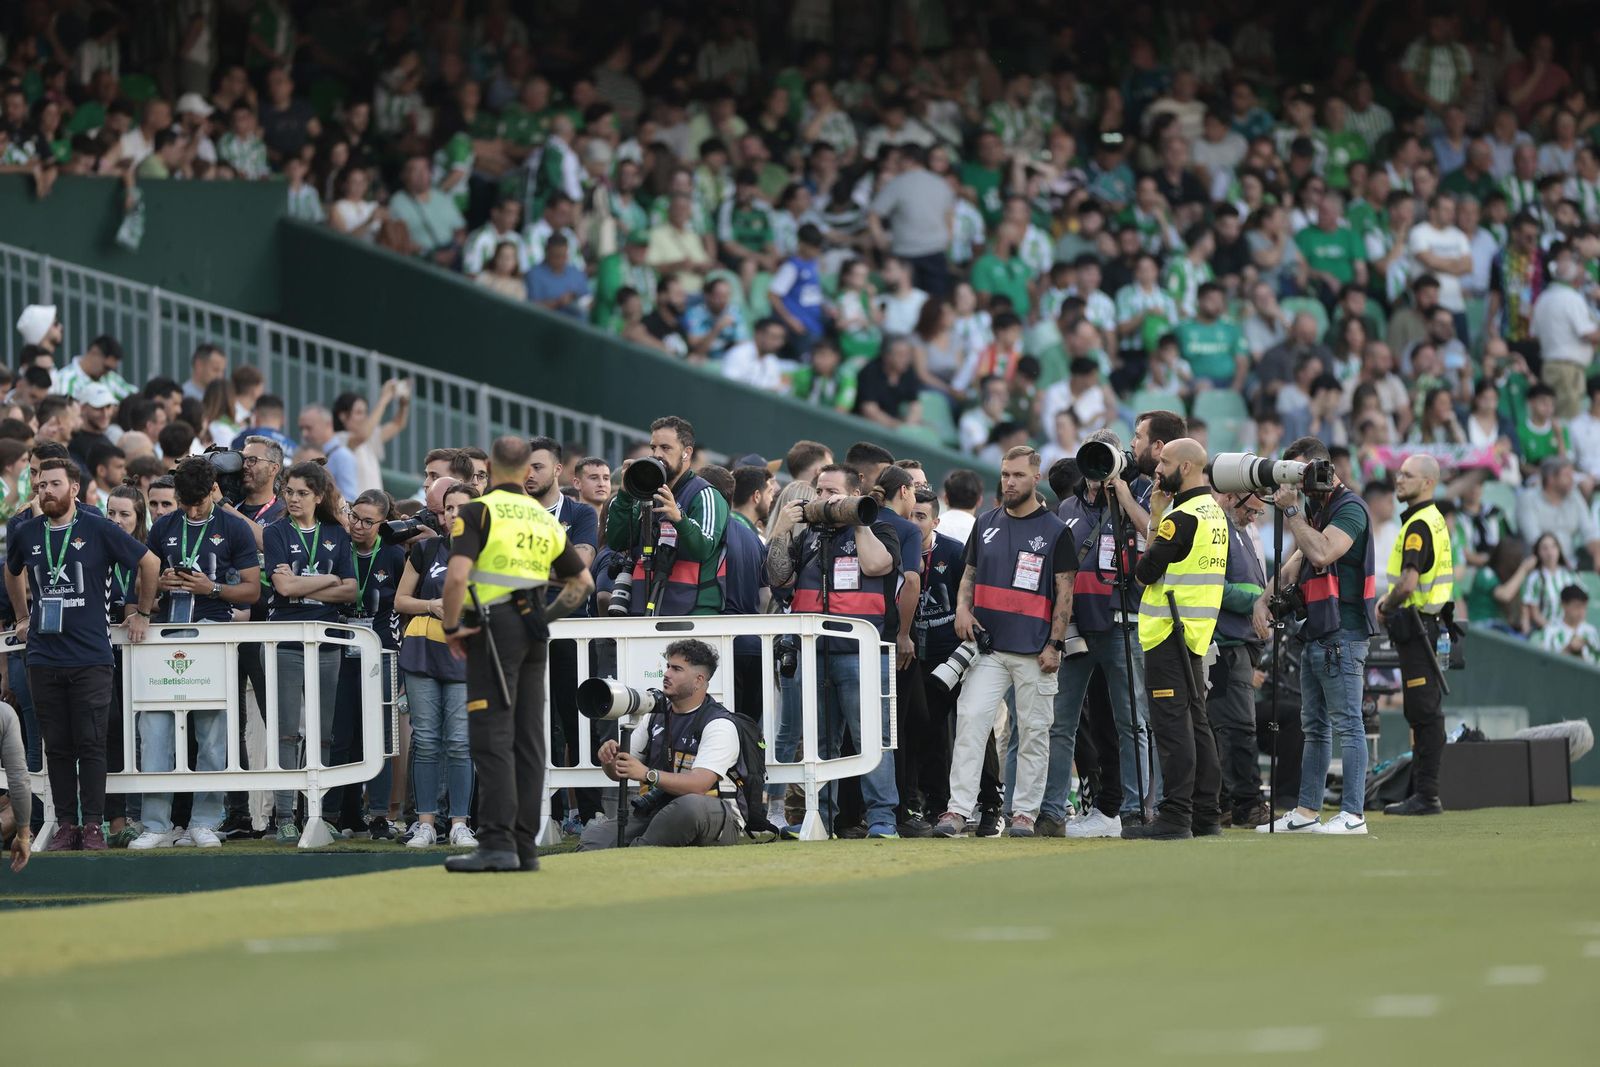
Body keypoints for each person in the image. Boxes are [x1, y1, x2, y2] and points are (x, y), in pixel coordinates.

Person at [440, 436, 593, 872]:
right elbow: (582, 585)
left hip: (492, 626)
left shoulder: (478, 511)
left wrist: (452, 626)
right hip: (532, 626)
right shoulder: (543, 519)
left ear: (489, 466)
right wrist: (542, 619)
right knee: (529, 737)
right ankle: (523, 848)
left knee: (492, 734)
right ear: (527, 468)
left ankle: (496, 843)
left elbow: (455, 580)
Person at [4, 457, 158, 851]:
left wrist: (141, 612)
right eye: (41, 485)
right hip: (43, 655)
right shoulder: (26, 532)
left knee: (91, 743)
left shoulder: (99, 528)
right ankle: (65, 825)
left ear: (74, 489)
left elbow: (149, 562)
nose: (47, 491)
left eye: (55, 484)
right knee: (56, 744)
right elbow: (12, 569)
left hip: (90, 655)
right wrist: (23, 615)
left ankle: (93, 825)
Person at [935, 446, 1074, 838]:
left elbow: (1066, 592)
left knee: (1033, 732)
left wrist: (1056, 644)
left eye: (1017, 475)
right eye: (1004, 474)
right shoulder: (986, 523)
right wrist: (963, 609)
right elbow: (970, 573)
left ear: (1036, 477)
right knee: (971, 722)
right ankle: (958, 810)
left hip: (1035, 649)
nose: (1009, 481)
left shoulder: (1055, 531)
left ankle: (1024, 813)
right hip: (989, 648)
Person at [129, 457, 260, 849]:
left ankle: (205, 820)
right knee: (154, 730)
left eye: (198, 502)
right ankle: (155, 824)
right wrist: (161, 584)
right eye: (184, 501)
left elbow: (253, 590)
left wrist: (213, 589)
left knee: (213, 732)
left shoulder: (233, 527)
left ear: (213, 490)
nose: (191, 509)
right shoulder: (165, 525)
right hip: (167, 633)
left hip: (212, 633)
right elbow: (141, 581)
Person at [766, 463, 902, 838]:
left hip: (860, 654)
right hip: (813, 654)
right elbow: (779, 581)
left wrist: (857, 518)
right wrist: (780, 533)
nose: (822, 499)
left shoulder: (880, 529)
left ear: (854, 492)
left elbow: (877, 565)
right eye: (819, 491)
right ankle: (820, 817)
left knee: (870, 739)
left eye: (831, 492)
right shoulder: (807, 537)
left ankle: (882, 819)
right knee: (820, 743)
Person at [1261, 437, 1378, 835]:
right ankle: (1308, 811)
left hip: (1344, 630)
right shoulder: (1318, 506)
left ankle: (1353, 814)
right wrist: (1266, 597)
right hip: (1316, 628)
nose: (1295, 481)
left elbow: (1322, 552)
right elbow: (1298, 557)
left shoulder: (1351, 508)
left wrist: (1291, 509)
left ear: (1319, 467)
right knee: (1314, 726)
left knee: (1348, 723)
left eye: (1299, 471)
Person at [1122, 438, 1224, 840]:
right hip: (1195, 632)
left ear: (1185, 467)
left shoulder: (1179, 518)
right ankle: (1206, 815)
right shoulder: (1214, 512)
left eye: (1163, 462)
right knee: (1197, 723)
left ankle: (1176, 816)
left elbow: (1143, 573)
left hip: (1168, 629)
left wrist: (1155, 518)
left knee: (1172, 727)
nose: (1156, 468)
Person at [264, 461, 357, 844]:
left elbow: (351, 590)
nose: (294, 499)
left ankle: (318, 811)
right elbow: (282, 590)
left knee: (323, 734)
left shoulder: (336, 532)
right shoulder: (275, 532)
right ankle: (285, 814)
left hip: (326, 639)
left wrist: (303, 585)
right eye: (289, 492)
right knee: (287, 732)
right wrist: (327, 580)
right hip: (287, 639)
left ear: (319, 497)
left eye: (303, 493)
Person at [581, 639, 745, 849]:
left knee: (689, 806)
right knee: (594, 839)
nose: (666, 674)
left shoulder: (719, 724)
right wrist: (609, 760)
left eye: (676, 669)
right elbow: (617, 773)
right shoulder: (654, 717)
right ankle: (637, 849)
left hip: (714, 816)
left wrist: (647, 774)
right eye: (668, 666)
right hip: (660, 809)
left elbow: (699, 785)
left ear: (698, 680)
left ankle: (637, 852)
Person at [395, 480, 476, 847]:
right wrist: (432, 605)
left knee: (460, 742)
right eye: (449, 509)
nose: (455, 515)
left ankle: (460, 822)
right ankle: (426, 822)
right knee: (426, 740)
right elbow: (400, 601)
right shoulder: (426, 550)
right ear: (441, 516)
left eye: (463, 508)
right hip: (422, 651)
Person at [1376, 454, 1454, 818]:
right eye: (1399, 472)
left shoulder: (1418, 526)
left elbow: (1407, 585)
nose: (1399, 478)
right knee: (1425, 711)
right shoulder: (1434, 519)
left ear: (1427, 482)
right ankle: (1426, 792)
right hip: (1430, 628)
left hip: (1420, 629)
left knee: (1424, 713)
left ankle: (1427, 795)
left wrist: (1385, 605)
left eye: (1408, 474)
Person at [328, 489, 407, 837]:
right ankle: (334, 814)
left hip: (381, 649)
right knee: (340, 734)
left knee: (379, 734)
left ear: (383, 524)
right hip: (339, 647)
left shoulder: (392, 554)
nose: (357, 526)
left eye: (368, 521)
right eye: (353, 516)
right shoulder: (337, 547)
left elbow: (406, 602)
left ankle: (379, 814)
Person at [603, 416, 727, 617]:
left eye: (665, 448)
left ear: (686, 453)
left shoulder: (705, 494)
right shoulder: (648, 494)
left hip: (692, 614)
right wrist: (625, 494)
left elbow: (705, 548)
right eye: (653, 448)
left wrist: (679, 519)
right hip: (644, 611)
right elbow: (617, 541)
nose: (657, 454)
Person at [1209, 485, 1272, 828]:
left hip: (1240, 642)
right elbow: (1209, 585)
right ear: (1232, 497)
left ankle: (1225, 803)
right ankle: (1246, 804)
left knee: (1229, 728)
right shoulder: (1217, 529)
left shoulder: (1242, 530)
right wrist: (1257, 599)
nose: (1254, 516)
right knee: (1236, 728)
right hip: (1223, 644)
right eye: (1252, 509)